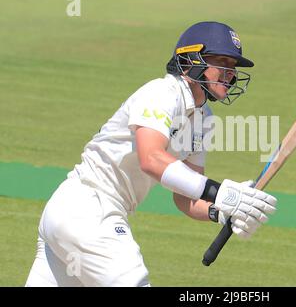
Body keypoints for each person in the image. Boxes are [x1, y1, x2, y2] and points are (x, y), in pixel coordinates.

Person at [25, 21, 277, 287]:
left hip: (75, 217)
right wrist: (221, 192)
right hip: (89, 209)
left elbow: (186, 197)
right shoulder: (161, 93)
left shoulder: (204, 119)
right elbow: (151, 159)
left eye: (233, 67)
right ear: (194, 60)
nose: (231, 74)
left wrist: (222, 211)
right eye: (223, 62)